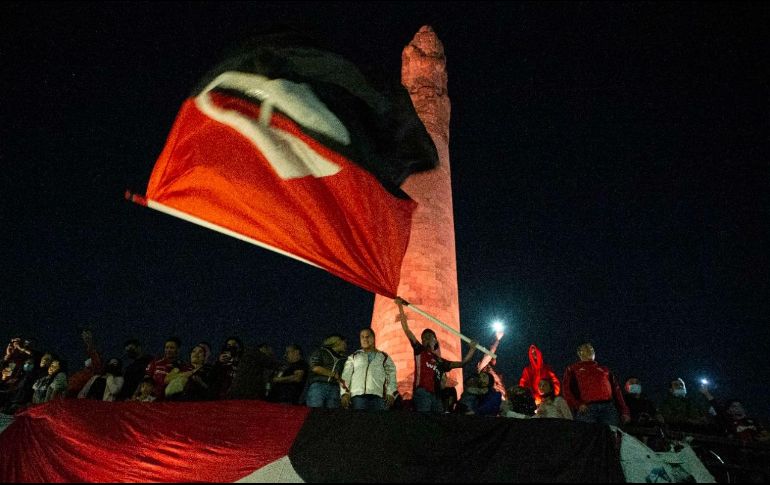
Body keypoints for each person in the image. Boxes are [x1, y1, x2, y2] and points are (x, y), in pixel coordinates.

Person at [395, 297, 478, 414]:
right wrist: (400, 306)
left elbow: (462, 363)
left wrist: (472, 350)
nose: (426, 339)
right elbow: (407, 330)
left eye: (429, 337)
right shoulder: (419, 351)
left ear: (435, 341)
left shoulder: (441, 361)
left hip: (437, 397)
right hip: (422, 393)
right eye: (424, 338)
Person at [562, 342, 630, 425]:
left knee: (610, 432)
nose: (589, 350)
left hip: (608, 408)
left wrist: (624, 411)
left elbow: (617, 390)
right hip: (587, 409)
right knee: (588, 432)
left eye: (591, 349)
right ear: (579, 353)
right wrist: (577, 405)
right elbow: (566, 390)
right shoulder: (572, 369)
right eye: (586, 349)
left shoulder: (604, 369)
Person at [340, 328, 397, 411]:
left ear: (373, 338)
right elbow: (346, 376)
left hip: (379, 397)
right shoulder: (354, 356)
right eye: (362, 337)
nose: (365, 339)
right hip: (358, 397)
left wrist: (391, 393)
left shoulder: (384, 357)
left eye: (367, 336)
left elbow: (391, 375)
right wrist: (345, 393)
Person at [306, 334, 348, 408]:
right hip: (318, 386)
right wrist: (333, 374)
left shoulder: (344, 359)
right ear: (337, 341)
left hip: (335, 389)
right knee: (315, 412)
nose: (346, 345)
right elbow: (315, 367)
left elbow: (345, 377)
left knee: (331, 414)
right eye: (344, 342)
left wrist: (345, 393)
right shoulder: (321, 352)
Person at [66, 328, 103, 398]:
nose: (85, 336)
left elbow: (97, 364)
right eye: (83, 335)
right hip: (73, 386)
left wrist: (89, 343)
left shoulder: (95, 352)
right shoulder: (78, 352)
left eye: (87, 334)